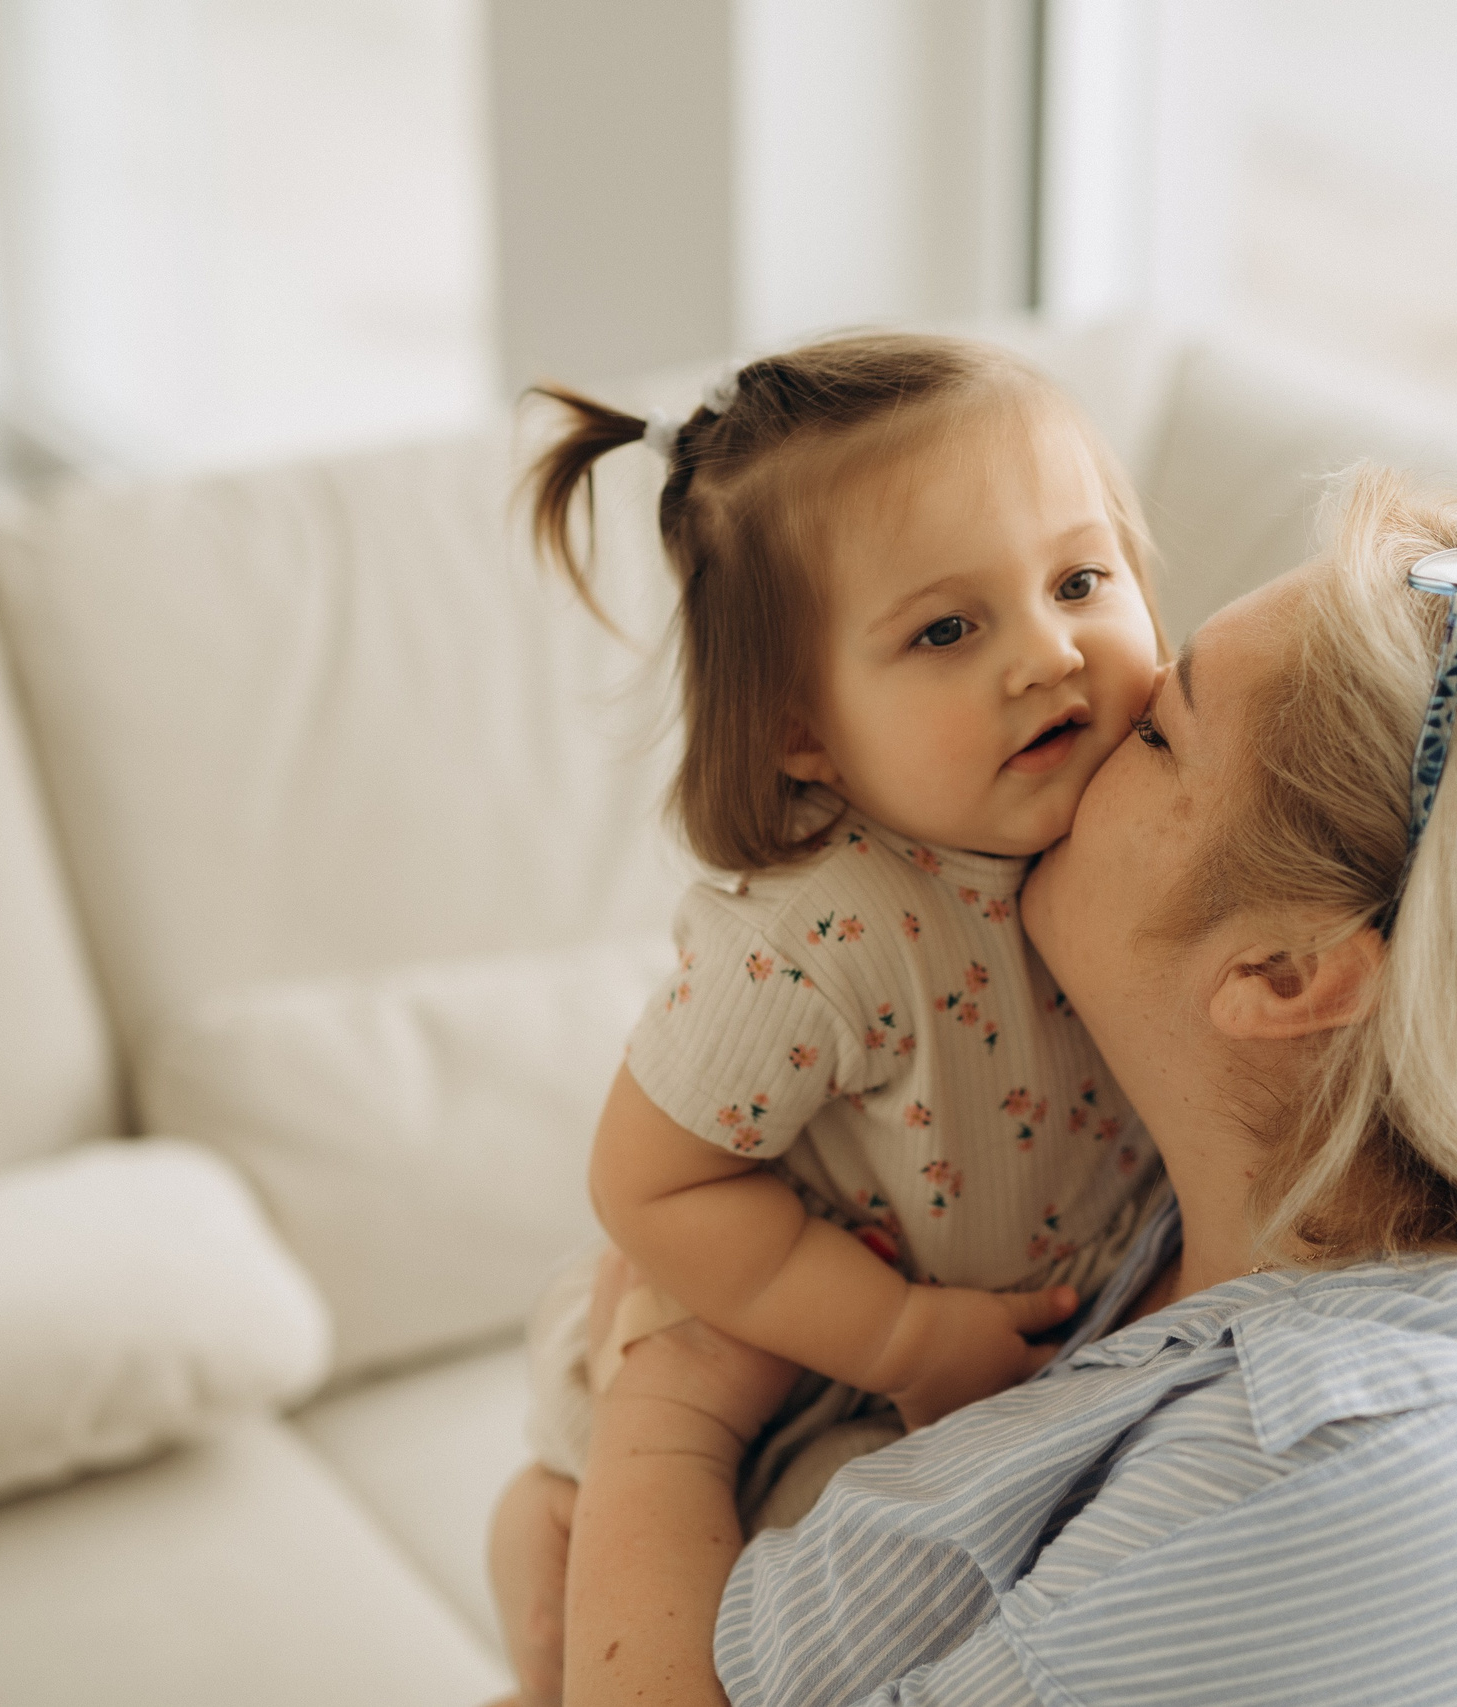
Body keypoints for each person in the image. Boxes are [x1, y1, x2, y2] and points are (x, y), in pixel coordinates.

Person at [555, 465, 1457, 1706]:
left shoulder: (1259, 1490)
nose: (1101, 695)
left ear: (1281, 974)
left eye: (1163, 733)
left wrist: (671, 1392)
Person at [486, 334, 1169, 1705]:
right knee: (586, 1589)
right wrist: (901, 1336)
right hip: (805, 1365)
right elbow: (648, 1177)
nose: (1047, 654)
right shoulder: (827, 936)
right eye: (945, 630)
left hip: (1018, 1357)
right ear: (802, 732)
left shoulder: (1140, 802)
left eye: (1079, 580)